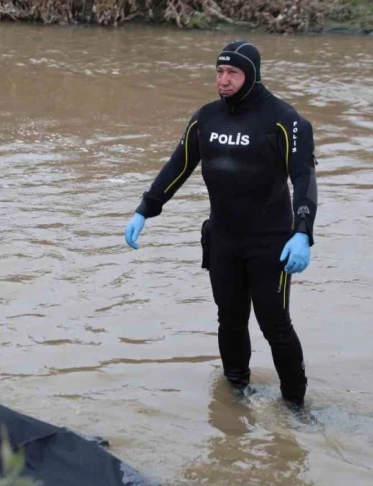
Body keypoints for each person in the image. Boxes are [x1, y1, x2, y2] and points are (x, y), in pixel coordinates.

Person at [124, 40, 318, 409]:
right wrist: (145, 209)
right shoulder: (207, 118)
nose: (223, 80)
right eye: (219, 71)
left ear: (252, 75)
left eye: (232, 72)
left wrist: (302, 232)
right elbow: (178, 166)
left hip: (270, 243)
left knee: (274, 325)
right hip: (224, 240)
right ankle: (235, 396)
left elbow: (304, 178)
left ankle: (295, 405)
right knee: (229, 320)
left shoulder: (285, 121)